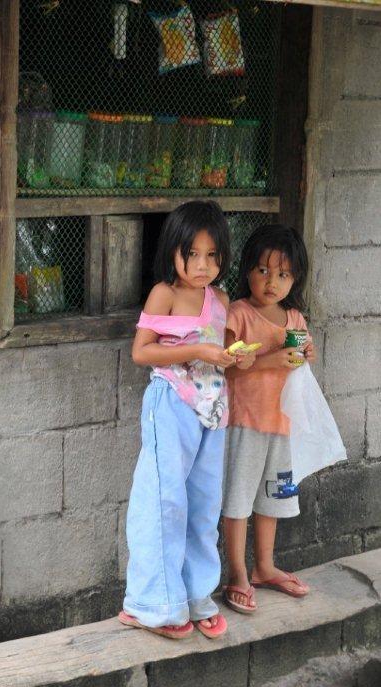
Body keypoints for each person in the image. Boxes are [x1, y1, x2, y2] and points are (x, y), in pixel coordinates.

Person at [118, 201, 251, 640]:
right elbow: (142, 352)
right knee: (164, 502)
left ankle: (195, 596)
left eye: (213, 255)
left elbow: (222, 358)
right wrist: (196, 350)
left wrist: (238, 359)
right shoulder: (165, 294)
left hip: (212, 411)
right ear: (173, 251)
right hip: (171, 404)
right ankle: (151, 604)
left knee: (203, 504)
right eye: (192, 254)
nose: (202, 265)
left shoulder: (221, 300)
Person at [222, 223, 316, 615]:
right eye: (263, 270)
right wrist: (268, 361)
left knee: (272, 500)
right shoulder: (239, 314)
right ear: (247, 271)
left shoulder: (294, 318)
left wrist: (307, 355)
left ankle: (264, 565)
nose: (271, 281)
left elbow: (302, 358)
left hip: (283, 425)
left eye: (282, 274)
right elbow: (227, 367)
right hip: (246, 422)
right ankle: (237, 573)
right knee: (238, 500)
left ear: (294, 279)